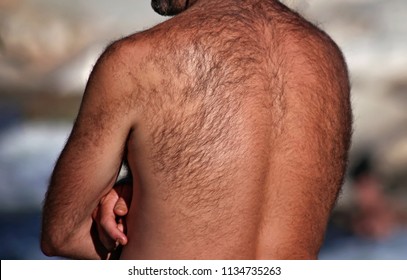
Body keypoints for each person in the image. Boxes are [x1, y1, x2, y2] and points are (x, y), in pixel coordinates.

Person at [41, 0, 352, 259]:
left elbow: (64, 233)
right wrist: (144, 190)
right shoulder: (328, 60)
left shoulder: (135, 62)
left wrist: (124, 209)